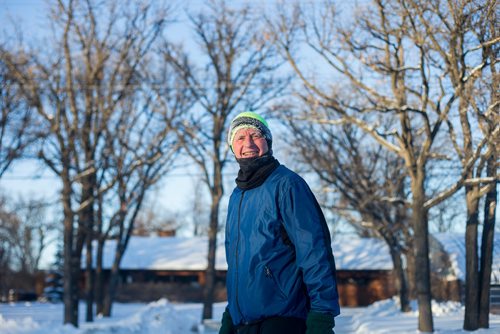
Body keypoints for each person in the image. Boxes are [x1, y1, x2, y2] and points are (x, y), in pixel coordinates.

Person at [219, 111, 340, 334]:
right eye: (240, 137)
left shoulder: (288, 185)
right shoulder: (237, 196)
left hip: (282, 320)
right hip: (243, 324)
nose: (248, 143)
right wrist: (230, 314)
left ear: (268, 141)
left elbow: (314, 251)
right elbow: (238, 265)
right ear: (232, 146)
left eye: (255, 135)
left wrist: (322, 314)